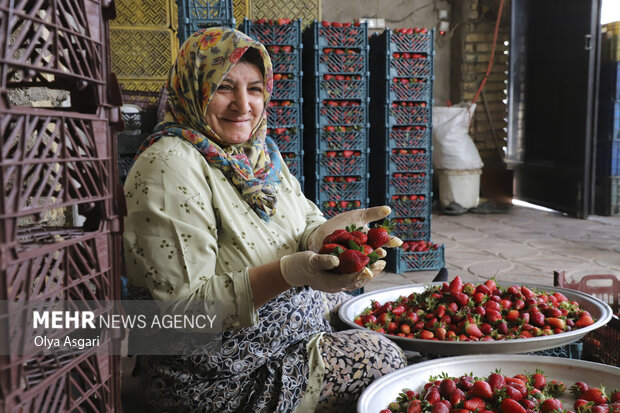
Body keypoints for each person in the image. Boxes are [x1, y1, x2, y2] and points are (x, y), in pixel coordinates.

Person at [123, 27, 406, 412]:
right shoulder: (170, 164)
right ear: (194, 87)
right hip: (215, 374)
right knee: (383, 360)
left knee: (378, 332)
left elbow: (303, 217)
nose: (243, 105)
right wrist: (289, 273)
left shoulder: (257, 154)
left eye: (255, 89)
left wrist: (326, 234)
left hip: (283, 339)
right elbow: (181, 315)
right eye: (224, 87)